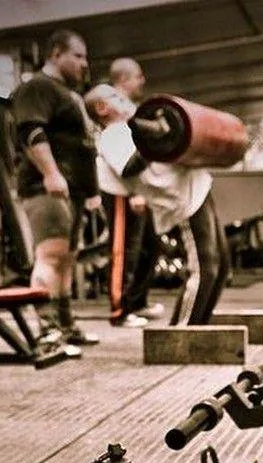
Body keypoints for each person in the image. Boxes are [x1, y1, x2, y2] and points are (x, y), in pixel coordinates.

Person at [84, 83, 230, 326]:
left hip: (198, 186)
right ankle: (182, 332)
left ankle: (200, 325)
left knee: (221, 264)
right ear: (102, 108)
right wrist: (154, 140)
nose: (122, 97)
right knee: (205, 269)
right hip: (181, 201)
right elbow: (129, 168)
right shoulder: (113, 134)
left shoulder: (141, 125)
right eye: (113, 96)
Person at [9, 27, 101, 348]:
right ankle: (47, 330)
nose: (83, 64)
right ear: (56, 54)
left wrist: (91, 192)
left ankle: (66, 325)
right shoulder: (37, 87)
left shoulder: (70, 95)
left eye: (85, 57)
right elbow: (31, 131)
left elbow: (84, 147)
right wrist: (50, 173)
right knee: (50, 256)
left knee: (67, 260)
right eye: (77, 56)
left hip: (72, 192)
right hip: (45, 188)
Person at [101, 56, 164, 328]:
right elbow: (126, 168)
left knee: (150, 247)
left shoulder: (127, 126)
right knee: (123, 253)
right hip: (120, 196)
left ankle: (137, 302)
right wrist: (135, 192)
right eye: (122, 102)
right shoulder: (112, 131)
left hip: (138, 195)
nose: (129, 107)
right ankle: (120, 311)